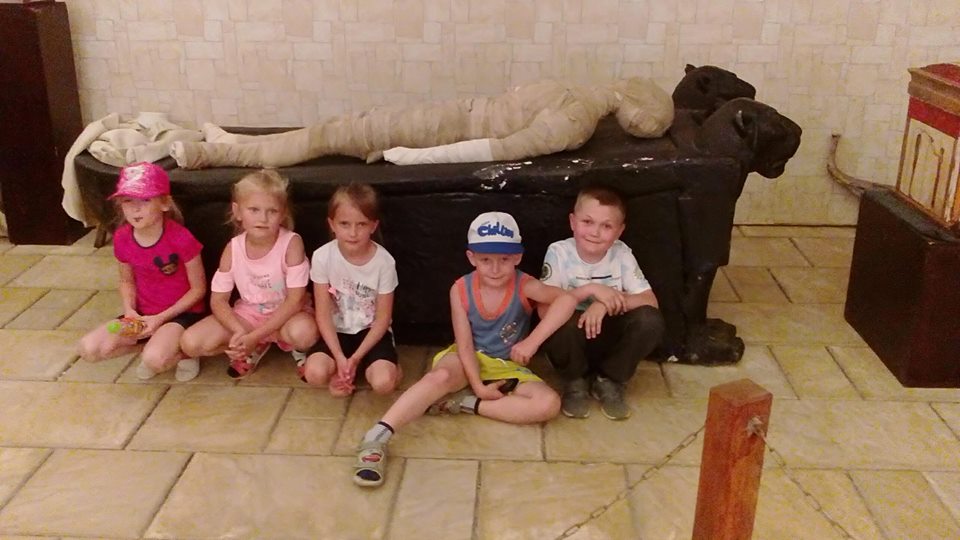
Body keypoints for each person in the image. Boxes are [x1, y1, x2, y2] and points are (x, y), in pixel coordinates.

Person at [352, 211, 581, 488]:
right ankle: (377, 436)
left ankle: (465, 404)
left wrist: (532, 342)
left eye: (504, 260)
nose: (495, 269)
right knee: (439, 377)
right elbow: (464, 344)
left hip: (507, 365)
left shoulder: (525, 284)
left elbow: (567, 301)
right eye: (486, 260)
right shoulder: (460, 289)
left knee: (548, 404)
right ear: (471, 258)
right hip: (466, 358)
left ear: (517, 257)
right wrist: (478, 385)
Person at [169, 77, 674, 169]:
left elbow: (495, 150)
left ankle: (215, 153)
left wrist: (413, 158)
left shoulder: (575, 117)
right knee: (328, 130)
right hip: (445, 118)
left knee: (328, 136)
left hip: (442, 130)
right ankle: (231, 141)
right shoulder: (578, 103)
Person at [539, 186, 665, 420]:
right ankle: (574, 381)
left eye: (606, 226)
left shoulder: (621, 254)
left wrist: (605, 304)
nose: (595, 232)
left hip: (608, 335)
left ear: (619, 231)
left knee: (650, 320)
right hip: (573, 337)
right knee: (556, 322)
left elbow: (649, 301)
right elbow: (544, 308)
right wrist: (591, 290)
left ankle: (609, 379)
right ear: (573, 222)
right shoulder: (559, 252)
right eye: (587, 222)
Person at [179, 169, 318, 379]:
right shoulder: (233, 248)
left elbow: (295, 300)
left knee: (304, 333)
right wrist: (240, 332)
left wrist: (255, 336)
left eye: (272, 211)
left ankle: (294, 348)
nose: (263, 218)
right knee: (190, 342)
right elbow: (218, 300)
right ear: (237, 211)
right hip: (249, 316)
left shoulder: (292, 243)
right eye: (254, 210)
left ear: (282, 214)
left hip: (288, 315)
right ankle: (250, 347)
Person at [77, 162, 207, 382]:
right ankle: (152, 345)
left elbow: (198, 289)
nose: (135, 209)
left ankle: (184, 353)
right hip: (142, 315)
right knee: (89, 348)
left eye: (145, 200)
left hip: (180, 314)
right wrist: (130, 311)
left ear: (164, 203)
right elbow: (126, 281)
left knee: (155, 360)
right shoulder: (122, 237)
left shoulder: (181, 238)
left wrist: (160, 318)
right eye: (128, 201)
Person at [303, 183, 401, 396]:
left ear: (373, 226)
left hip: (371, 332)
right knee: (314, 373)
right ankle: (344, 371)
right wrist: (339, 357)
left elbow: (382, 320)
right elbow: (323, 314)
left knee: (383, 384)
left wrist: (355, 358)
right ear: (332, 224)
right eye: (345, 224)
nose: (353, 233)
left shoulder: (384, 262)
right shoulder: (322, 257)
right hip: (337, 332)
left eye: (361, 224)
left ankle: (374, 367)